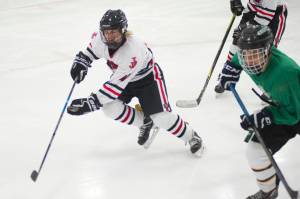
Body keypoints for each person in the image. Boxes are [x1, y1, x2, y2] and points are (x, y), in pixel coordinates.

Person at [66, 9, 204, 155]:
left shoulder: (132, 51)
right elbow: (90, 53)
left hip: (148, 80)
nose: (109, 37)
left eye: (114, 32)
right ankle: (145, 122)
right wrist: (82, 62)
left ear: (123, 30)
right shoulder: (100, 39)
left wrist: (89, 104)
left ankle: (191, 136)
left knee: (161, 117)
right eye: (106, 32)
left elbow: (113, 88)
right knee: (110, 108)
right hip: (125, 80)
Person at [219, 24, 300, 199]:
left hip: (295, 108)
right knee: (255, 151)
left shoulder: (285, 73)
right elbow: (238, 59)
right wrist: (231, 68)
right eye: (245, 55)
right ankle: (269, 191)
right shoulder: (248, 57)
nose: (248, 62)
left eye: (254, 55)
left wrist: (267, 116)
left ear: (268, 50)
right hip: (284, 105)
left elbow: (295, 113)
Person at [214, 0, 288, 94]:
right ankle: (226, 76)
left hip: (275, 12)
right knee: (238, 42)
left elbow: (265, 17)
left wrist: (245, 27)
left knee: (267, 49)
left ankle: (270, 88)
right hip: (253, 8)